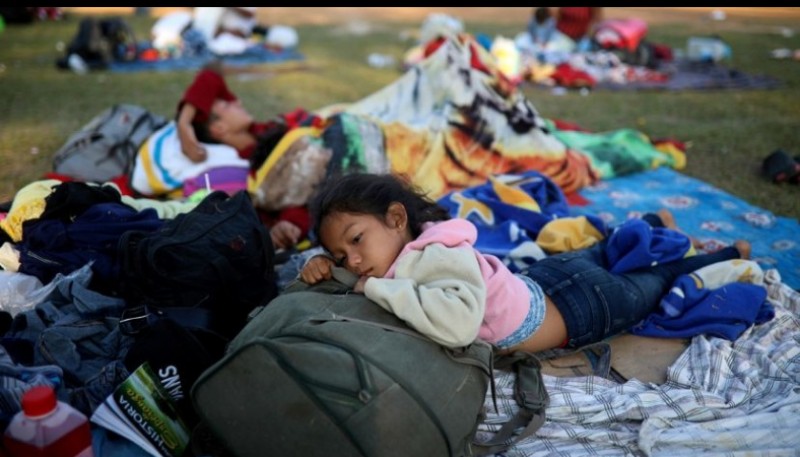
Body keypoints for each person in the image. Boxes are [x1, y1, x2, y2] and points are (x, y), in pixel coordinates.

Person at [300, 172, 750, 353]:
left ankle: (728, 255)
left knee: (652, 285)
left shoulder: (433, 256)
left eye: (356, 241)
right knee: (600, 251)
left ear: (396, 219)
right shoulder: (399, 258)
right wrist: (322, 268)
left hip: (580, 310)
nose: (354, 262)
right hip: (543, 280)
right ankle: (652, 220)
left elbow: (456, 325)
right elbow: (361, 280)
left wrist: (373, 288)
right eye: (341, 255)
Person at [175, 63, 311, 250]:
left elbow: (210, 73)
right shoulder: (256, 165)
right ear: (219, 128)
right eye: (226, 104)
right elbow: (293, 194)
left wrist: (184, 122)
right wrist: (290, 225)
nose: (237, 101)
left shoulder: (262, 131)